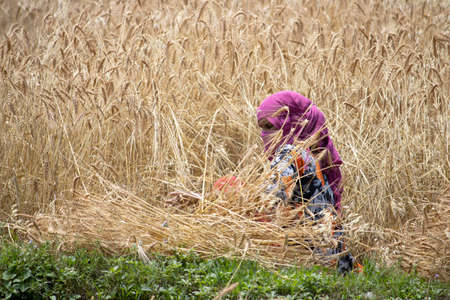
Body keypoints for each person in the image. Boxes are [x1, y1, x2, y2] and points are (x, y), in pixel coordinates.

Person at [256, 90, 355, 274]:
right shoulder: (321, 164)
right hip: (335, 265)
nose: (265, 134)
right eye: (262, 127)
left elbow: (270, 197)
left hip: (307, 264)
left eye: (270, 126)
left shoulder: (291, 154)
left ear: (291, 123)